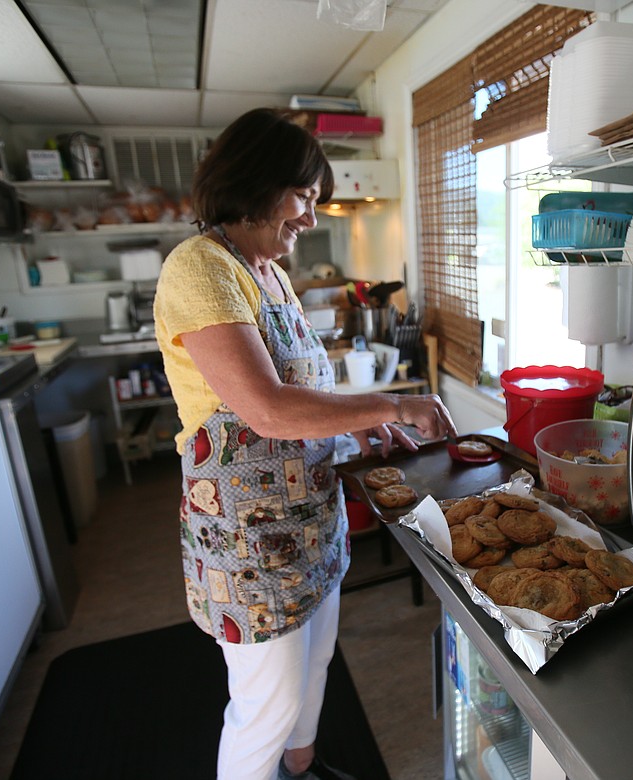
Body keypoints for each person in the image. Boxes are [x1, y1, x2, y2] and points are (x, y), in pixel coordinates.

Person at [153, 107, 457, 780]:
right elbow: (265, 408)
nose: (311, 220)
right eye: (306, 199)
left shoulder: (272, 274)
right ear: (257, 183)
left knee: (315, 665)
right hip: (249, 538)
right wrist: (396, 401)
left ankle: (302, 767)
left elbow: (304, 389)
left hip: (309, 519)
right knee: (267, 699)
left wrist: (357, 419)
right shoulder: (200, 269)